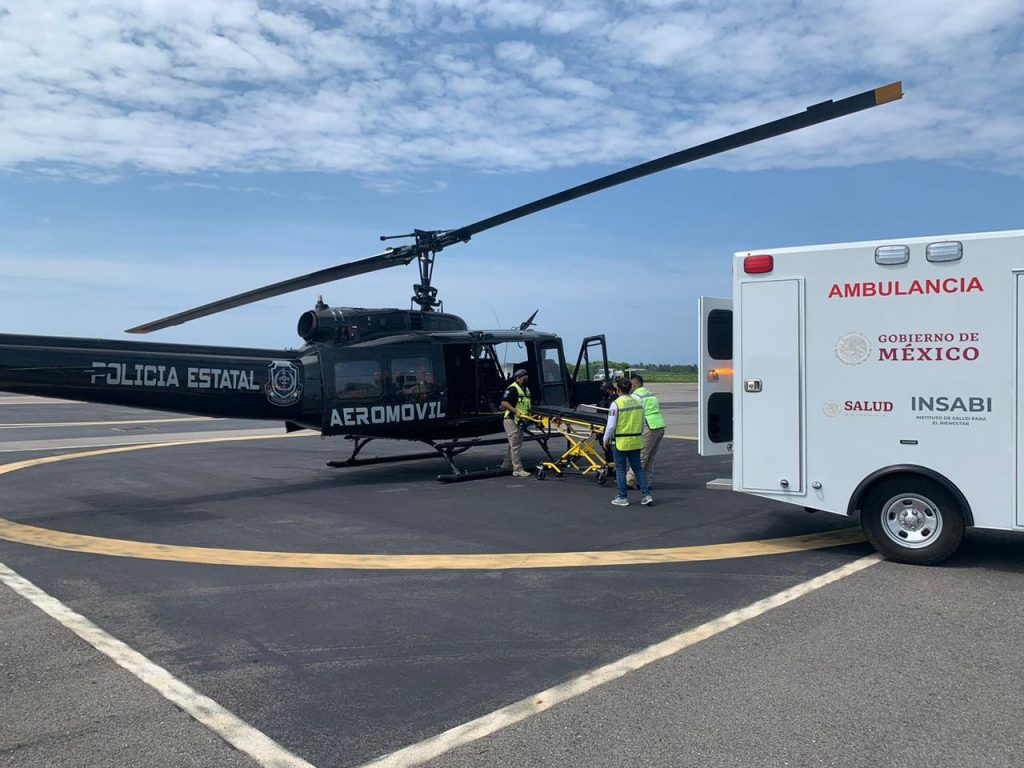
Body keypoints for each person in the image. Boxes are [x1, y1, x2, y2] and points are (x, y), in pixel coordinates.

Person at [602, 378, 653, 506]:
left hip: (621, 441)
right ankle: (646, 495)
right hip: (635, 440)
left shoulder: (616, 404)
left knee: (620, 469)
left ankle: (622, 497)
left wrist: (605, 439)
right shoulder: (638, 402)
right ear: (630, 389)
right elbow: (642, 422)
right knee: (638, 468)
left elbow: (611, 426)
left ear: (618, 389)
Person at [626, 374, 666, 489]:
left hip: (649, 427)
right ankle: (647, 482)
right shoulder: (650, 394)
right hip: (659, 426)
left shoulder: (636, 397)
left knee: (641, 455)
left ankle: (629, 481)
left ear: (634, 385)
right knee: (650, 457)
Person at [500, 369, 533, 478]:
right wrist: (515, 411)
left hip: (520, 420)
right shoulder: (512, 388)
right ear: (517, 378)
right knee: (515, 445)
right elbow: (504, 403)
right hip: (511, 419)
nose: (526, 380)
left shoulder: (526, 389)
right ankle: (517, 469)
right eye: (524, 378)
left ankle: (507, 464)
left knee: (514, 444)